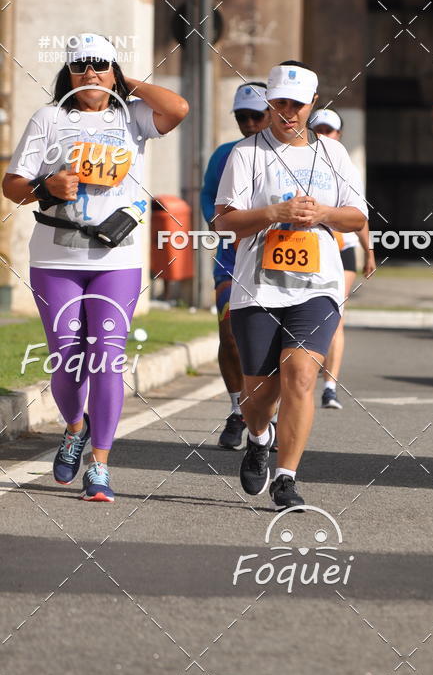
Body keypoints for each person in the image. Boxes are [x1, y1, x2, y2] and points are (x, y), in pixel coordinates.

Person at [2, 33, 188, 502]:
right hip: (55, 258)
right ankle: (74, 427)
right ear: (68, 72)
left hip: (117, 260)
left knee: (106, 358)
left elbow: (178, 108)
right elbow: (12, 185)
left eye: (101, 65)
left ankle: (100, 464)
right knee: (67, 358)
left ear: (114, 71)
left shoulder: (133, 117)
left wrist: (129, 83)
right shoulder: (49, 118)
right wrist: (47, 187)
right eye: (82, 66)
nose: (91, 73)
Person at [214, 61, 367, 510]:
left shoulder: (334, 155)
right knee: (258, 397)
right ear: (269, 103)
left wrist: (321, 214)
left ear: (312, 104)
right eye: (279, 103)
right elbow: (224, 220)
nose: (287, 113)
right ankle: (260, 438)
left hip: (316, 285)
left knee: (300, 375)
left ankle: (286, 477)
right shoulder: (246, 154)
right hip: (258, 288)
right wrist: (274, 214)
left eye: (296, 105)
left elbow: (357, 217)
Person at [201, 81, 271, 450]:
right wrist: (225, 227)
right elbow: (208, 199)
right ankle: (237, 410)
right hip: (232, 261)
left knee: (270, 345)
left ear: (272, 113)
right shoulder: (225, 154)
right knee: (229, 335)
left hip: (279, 264)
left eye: (255, 116)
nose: (248, 123)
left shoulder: (293, 154)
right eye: (241, 117)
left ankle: (268, 414)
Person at [308, 107, 376, 409]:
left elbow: (358, 213)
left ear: (339, 135)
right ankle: (302, 376)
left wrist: (369, 250)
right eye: (318, 129)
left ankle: (330, 386)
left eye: (329, 130)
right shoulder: (295, 159)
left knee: (334, 316)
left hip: (341, 248)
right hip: (303, 248)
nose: (323, 135)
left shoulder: (344, 164)